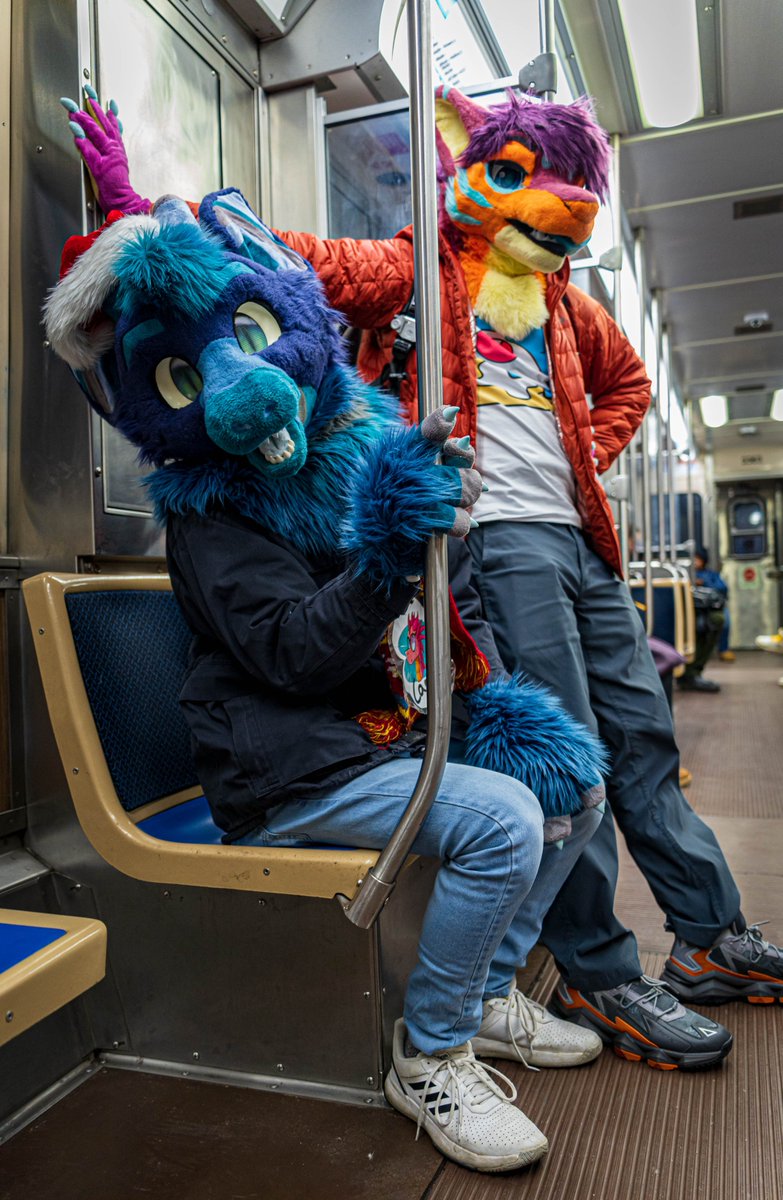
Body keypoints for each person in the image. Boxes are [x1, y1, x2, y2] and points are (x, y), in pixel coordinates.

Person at [61, 85, 783, 1067]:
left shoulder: (569, 314)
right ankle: (604, 973)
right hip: (485, 527)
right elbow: (275, 272)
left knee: (627, 743)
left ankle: (705, 931)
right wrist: (141, 214)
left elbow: (628, 388)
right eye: (520, 177)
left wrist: (586, 464)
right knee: (549, 746)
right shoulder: (419, 277)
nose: (550, 208)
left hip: (579, 535)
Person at [44, 181, 621, 1173]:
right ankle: (430, 1050)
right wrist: (386, 561)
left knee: (577, 788)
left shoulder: (345, 454)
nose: (242, 388)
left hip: (362, 734)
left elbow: (423, 611)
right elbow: (296, 655)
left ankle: (478, 997)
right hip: (282, 770)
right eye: (186, 379)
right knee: (502, 821)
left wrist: (434, 532)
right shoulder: (213, 516)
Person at [676, 548, 727, 692]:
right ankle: (687, 672)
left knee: (718, 620)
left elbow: (722, 589)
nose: (695, 562)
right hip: (686, 611)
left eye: (698, 558)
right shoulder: (683, 574)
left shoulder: (710, 575)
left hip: (705, 610)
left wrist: (703, 583)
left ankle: (693, 671)